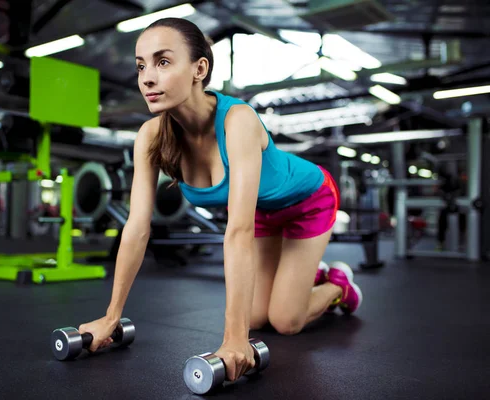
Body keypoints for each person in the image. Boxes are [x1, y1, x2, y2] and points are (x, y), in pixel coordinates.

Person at [78, 18, 363, 382]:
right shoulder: (151, 136)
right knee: (257, 317)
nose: (147, 77)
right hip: (263, 212)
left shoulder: (237, 121)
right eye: (141, 65)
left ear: (200, 69)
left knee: (285, 321)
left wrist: (233, 340)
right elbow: (136, 228)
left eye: (163, 62)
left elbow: (237, 231)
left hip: (309, 201)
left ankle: (337, 283)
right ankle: (307, 273)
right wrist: (111, 315)